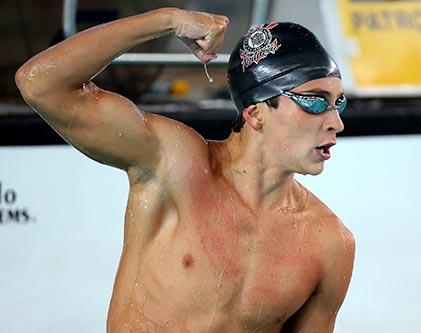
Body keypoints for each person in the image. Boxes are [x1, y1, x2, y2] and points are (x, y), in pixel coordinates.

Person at [15, 6, 354, 333]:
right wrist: (166, 20)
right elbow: (41, 84)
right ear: (256, 113)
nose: (336, 122)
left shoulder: (328, 244)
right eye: (315, 101)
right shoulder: (172, 163)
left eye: (339, 102)